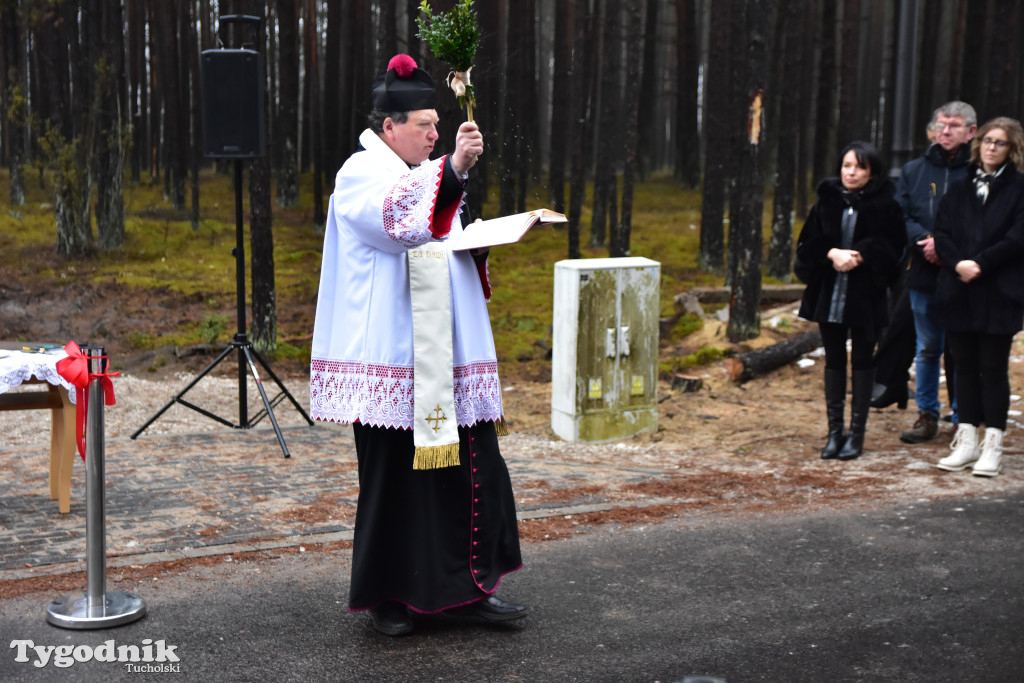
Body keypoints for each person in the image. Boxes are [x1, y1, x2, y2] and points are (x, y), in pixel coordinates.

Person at [309, 54, 526, 636]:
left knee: (470, 471)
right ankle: (390, 597)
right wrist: (453, 167)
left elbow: (441, 240)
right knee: (396, 484)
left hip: (446, 359)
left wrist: (479, 242)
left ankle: (468, 591)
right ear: (389, 127)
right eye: (426, 125)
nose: (434, 135)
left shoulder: (426, 174)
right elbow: (400, 226)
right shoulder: (362, 174)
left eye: (437, 125)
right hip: (394, 362)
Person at [795, 141, 906, 461]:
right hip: (829, 297)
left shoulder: (887, 207)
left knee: (862, 361)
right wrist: (831, 253)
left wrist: (862, 255)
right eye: (847, 165)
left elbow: (895, 251)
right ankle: (834, 433)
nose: (851, 172)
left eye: (859, 167)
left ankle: (856, 436)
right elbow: (805, 249)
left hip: (865, 298)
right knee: (833, 362)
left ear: (872, 173)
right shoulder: (825, 204)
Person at [932, 117, 1024, 476]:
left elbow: (1018, 238)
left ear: (1011, 148)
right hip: (959, 288)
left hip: (999, 290)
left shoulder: (1019, 187)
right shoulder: (959, 186)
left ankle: (993, 446)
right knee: (962, 368)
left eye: (999, 142)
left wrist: (980, 264)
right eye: (986, 140)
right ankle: (967, 441)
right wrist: (959, 265)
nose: (990, 147)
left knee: (993, 369)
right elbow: (942, 232)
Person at [895, 101, 977, 443]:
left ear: (971, 132)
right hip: (924, 271)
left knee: (961, 349)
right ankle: (927, 415)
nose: (946, 131)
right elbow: (899, 215)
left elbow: (987, 221)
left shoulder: (978, 172)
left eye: (954, 126)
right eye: (942, 125)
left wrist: (949, 250)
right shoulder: (914, 171)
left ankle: (963, 418)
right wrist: (923, 241)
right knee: (927, 347)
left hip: (965, 275)